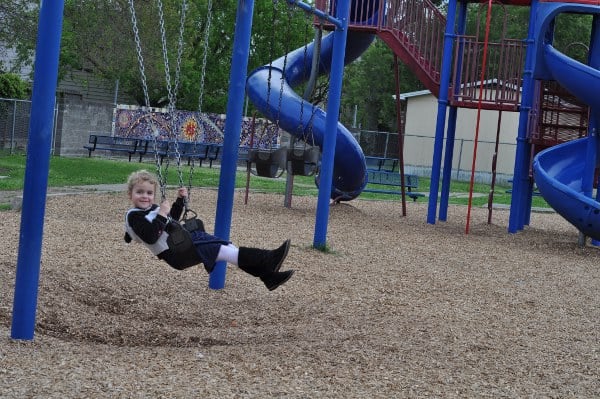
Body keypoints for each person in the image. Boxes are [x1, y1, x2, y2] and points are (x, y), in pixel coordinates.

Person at [123, 170, 294, 291]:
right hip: (176, 253)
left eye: (149, 193)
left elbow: (171, 220)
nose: (145, 196)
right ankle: (268, 259)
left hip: (183, 243)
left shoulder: (151, 209)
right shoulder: (135, 216)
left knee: (227, 247)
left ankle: (268, 276)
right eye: (139, 192)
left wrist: (179, 201)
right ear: (130, 194)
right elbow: (152, 236)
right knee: (219, 249)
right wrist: (161, 213)